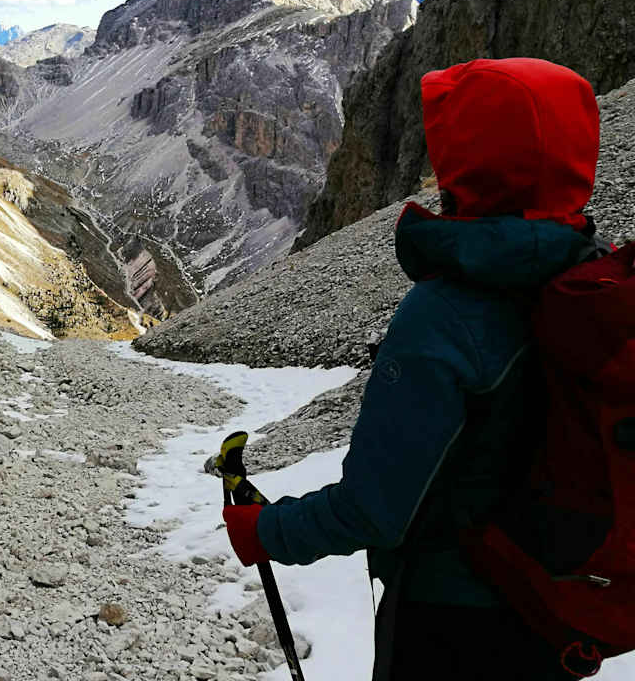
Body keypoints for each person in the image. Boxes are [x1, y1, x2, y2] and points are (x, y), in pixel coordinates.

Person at [222, 57, 609, 680]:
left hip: (453, 624)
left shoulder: (446, 314)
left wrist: (264, 531)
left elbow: (374, 508)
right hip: (558, 612)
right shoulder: (594, 279)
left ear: (471, 162)